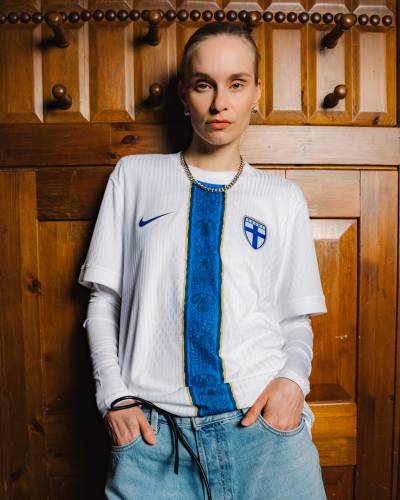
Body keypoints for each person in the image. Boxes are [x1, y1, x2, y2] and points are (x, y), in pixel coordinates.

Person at [78, 21, 328, 500]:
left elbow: (295, 321)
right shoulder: (134, 177)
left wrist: (292, 383)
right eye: (203, 84)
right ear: (183, 95)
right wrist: (113, 398)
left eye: (236, 84)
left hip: (265, 433)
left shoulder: (282, 197)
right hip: (153, 442)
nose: (219, 103)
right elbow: (104, 302)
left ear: (257, 92)